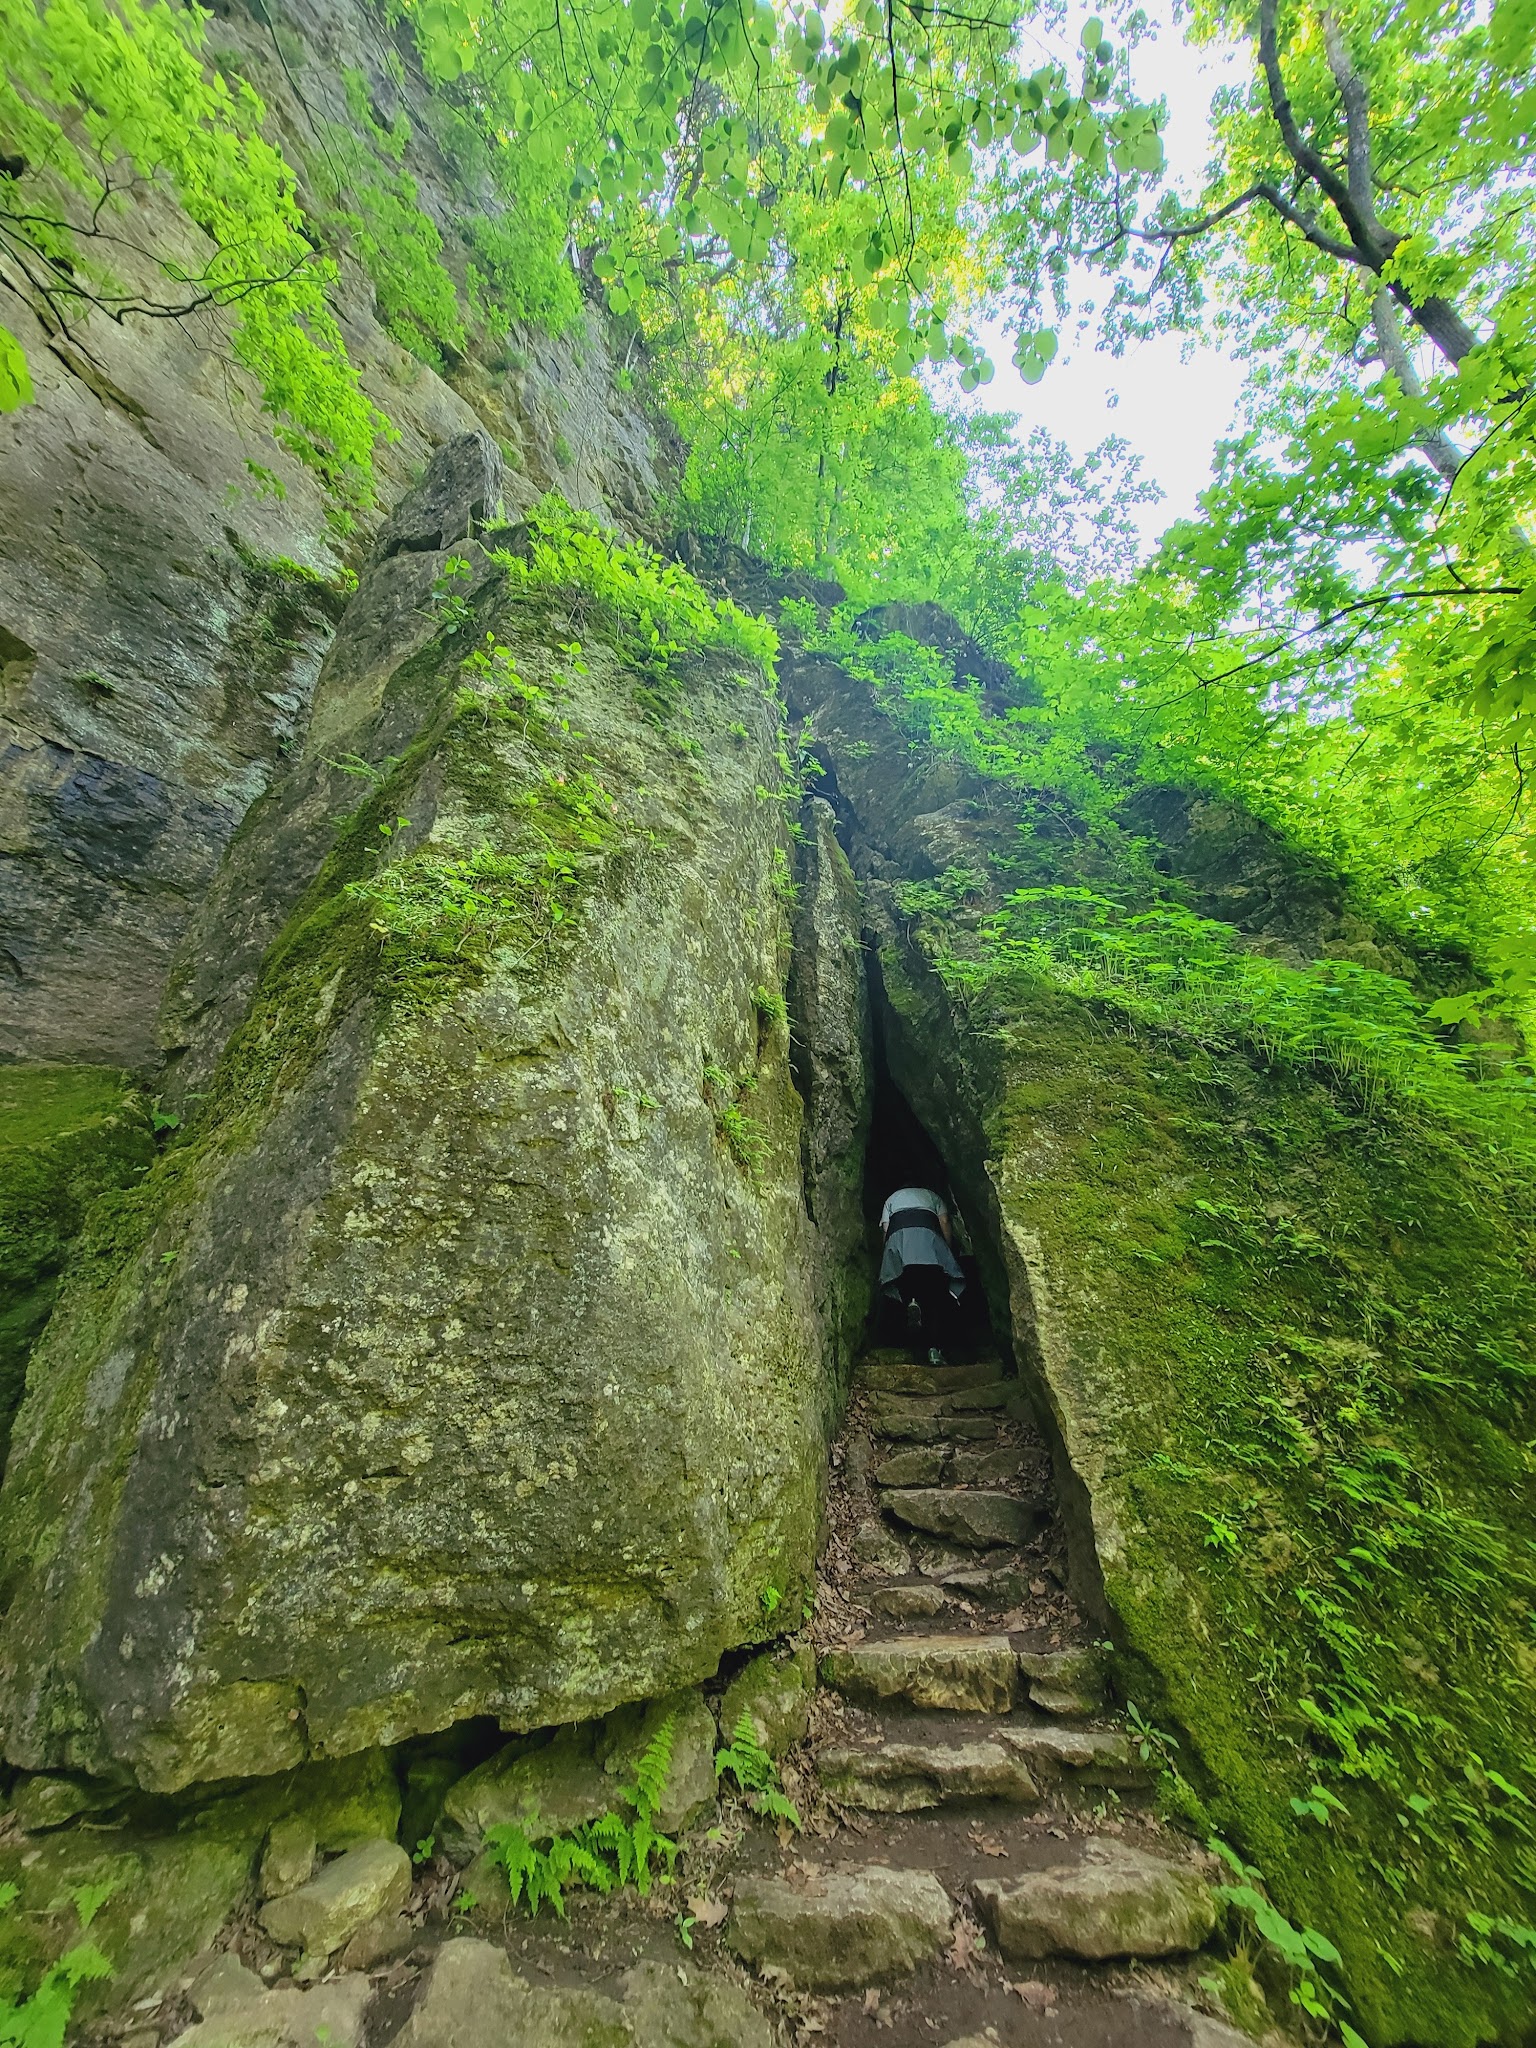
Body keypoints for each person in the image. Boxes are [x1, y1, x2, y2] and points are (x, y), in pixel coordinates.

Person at [878, 1183, 965, 1360]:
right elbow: (945, 1222)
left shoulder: (892, 1198)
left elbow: (886, 1229)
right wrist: (946, 1249)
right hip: (929, 1247)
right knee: (933, 1299)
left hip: (900, 1246)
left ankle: (908, 1314)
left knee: (901, 1289)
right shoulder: (933, 1196)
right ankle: (934, 1349)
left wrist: (888, 1255)